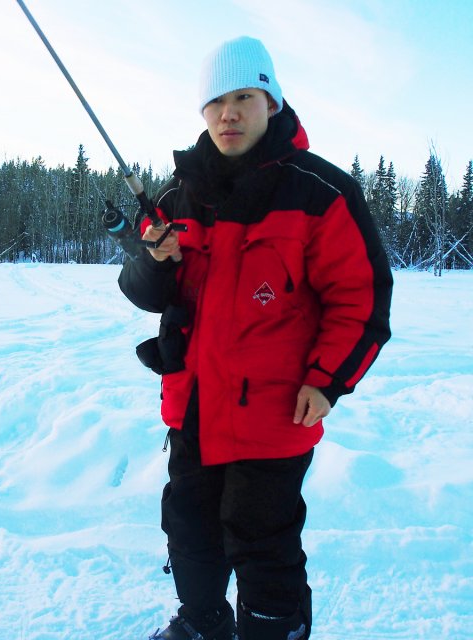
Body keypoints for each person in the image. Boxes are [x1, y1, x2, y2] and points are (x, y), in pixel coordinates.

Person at [118, 36, 393, 640]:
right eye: (215, 102)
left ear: (270, 101)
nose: (228, 113)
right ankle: (202, 623)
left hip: (272, 413)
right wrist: (156, 261)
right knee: (189, 529)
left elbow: (362, 300)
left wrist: (329, 381)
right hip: (191, 406)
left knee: (262, 542)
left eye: (244, 96)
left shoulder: (321, 192)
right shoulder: (177, 195)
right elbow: (142, 291)